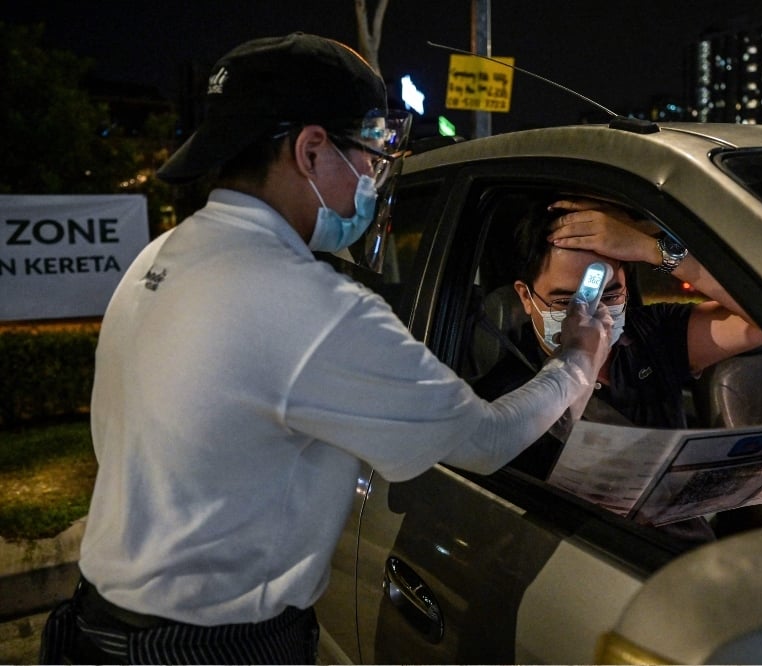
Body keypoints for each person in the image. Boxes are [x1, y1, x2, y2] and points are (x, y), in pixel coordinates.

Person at [39, 33, 610, 665]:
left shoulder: (161, 255)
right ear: (312, 150)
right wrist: (577, 360)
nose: (372, 179)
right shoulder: (311, 306)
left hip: (93, 629)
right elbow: (485, 440)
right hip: (209, 649)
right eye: (368, 156)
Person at [474, 198, 762, 542]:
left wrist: (655, 249)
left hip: (684, 549)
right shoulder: (503, 394)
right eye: (566, 301)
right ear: (526, 297)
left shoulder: (649, 334)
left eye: (610, 295)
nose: (595, 316)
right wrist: (579, 358)